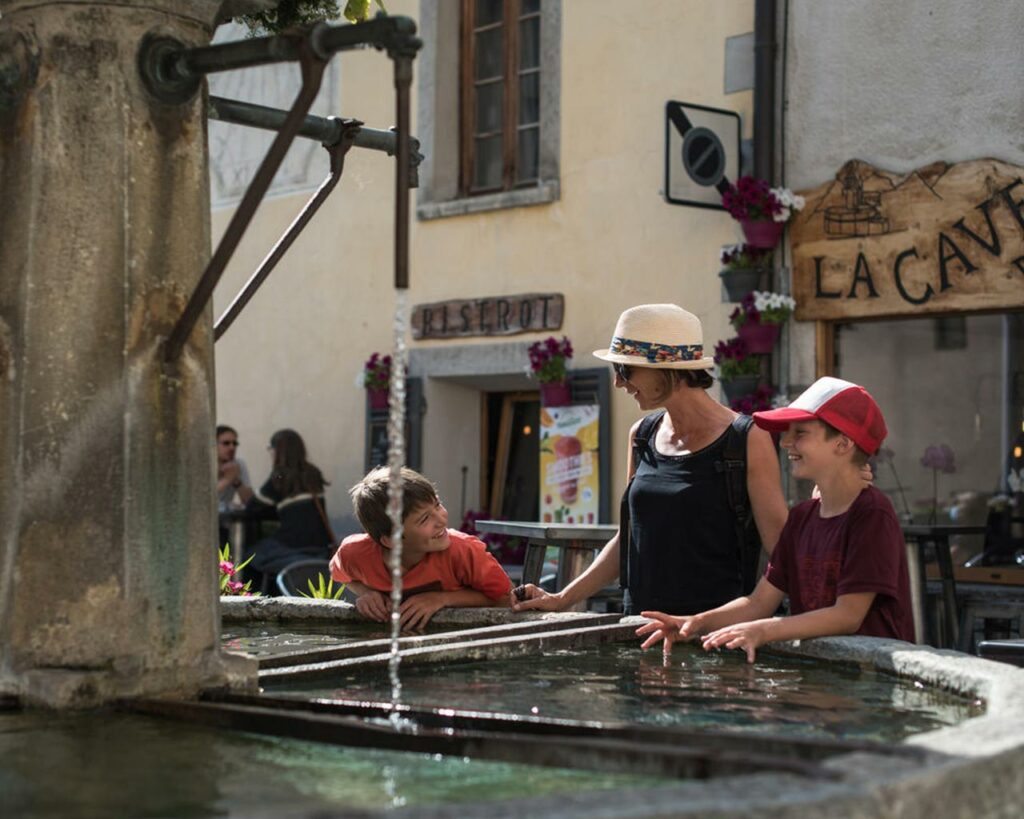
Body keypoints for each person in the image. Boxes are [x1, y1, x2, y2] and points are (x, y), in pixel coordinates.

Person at [513, 304, 789, 616]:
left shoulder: (747, 438)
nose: (619, 383)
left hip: (714, 642)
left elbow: (782, 552)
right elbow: (627, 538)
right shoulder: (641, 435)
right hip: (639, 629)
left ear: (666, 368)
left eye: (625, 370)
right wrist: (561, 598)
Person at [637, 377, 915, 662]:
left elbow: (848, 616)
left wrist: (763, 631)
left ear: (843, 444)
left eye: (801, 433)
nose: (785, 443)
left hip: (871, 683)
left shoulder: (872, 515)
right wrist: (694, 623)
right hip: (823, 676)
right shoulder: (801, 518)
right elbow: (759, 602)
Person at [331, 466, 513, 630]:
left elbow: (506, 598)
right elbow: (339, 573)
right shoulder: (354, 553)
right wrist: (368, 593)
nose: (442, 519)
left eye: (438, 504)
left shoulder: (463, 551)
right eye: (425, 519)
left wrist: (442, 599)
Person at [246, 429, 334, 593]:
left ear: (276, 450)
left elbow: (252, 506)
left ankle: (257, 598)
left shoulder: (279, 476)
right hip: (319, 547)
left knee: (251, 555)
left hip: (291, 547)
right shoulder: (313, 473)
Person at [216, 425, 253, 510]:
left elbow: (249, 502)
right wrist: (227, 479)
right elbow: (201, 501)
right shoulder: (202, 465)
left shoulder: (238, 464)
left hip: (224, 518)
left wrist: (237, 481)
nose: (232, 447)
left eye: (235, 443)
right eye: (226, 443)